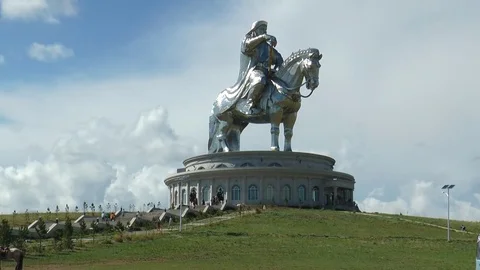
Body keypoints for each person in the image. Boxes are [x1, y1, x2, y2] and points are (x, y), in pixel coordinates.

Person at [218, 20, 283, 115]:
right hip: (254, 71)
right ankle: (249, 105)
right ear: (254, 30)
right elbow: (247, 46)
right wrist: (263, 37)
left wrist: (277, 68)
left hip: (268, 72)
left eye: (265, 30)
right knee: (259, 80)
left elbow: (278, 58)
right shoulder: (247, 40)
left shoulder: (267, 47)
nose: (264, 31)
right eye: (262, 29)